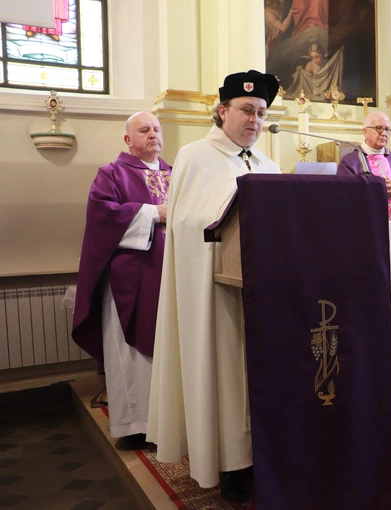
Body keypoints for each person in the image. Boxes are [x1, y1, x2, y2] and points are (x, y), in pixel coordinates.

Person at [146, 70, 281, 502]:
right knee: (223, 374)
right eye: (246, 111)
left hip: (262, 293)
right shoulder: (194, 155)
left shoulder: (268, 164)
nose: (255, 121)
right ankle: (230, 464)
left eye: (261, 113)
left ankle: (264, 453)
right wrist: (224, 212)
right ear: (222, 111)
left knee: (262, 374)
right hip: (217, 290)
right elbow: (185, 222)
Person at [72, 112, 171, 446]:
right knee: (133, 357)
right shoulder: (111, 174)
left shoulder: (178, 174)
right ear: (128, 140)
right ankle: (136, 426)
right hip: (131, 279)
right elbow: (102, 218)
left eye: (157, 129)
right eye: (144, 130)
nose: (153, 135)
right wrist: (154, 214)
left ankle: (172, 420)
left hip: (174, 277)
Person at [336, 111, 391, 220]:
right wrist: (378, 190)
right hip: (366, 227)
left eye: (387, 129)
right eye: (378, 128)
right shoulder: (350, 161)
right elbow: (343, 196)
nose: (384, 133)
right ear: (365, 132)